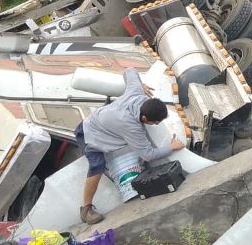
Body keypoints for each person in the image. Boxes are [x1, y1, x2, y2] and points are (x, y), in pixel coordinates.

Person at [75, 68, 184, 224]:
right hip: (88, 134)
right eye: (155, 123)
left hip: (101, 121)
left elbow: (129, 71)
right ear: (145, 118)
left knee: (132, 150)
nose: (156, 125)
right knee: (97, 165)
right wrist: (172, 147)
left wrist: (141, 84)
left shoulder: (137, 93)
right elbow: (148, 154)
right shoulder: (130, 126)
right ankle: (86, 210)